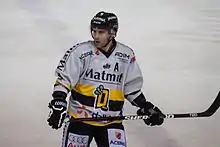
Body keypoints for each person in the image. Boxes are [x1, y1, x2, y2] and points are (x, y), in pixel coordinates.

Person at [47, 11, 165, 147]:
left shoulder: (126, 55)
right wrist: (59, 101)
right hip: (80, 119)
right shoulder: (80, 52)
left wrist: (146, 106)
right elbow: (64, 80)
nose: (96, 36)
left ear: (113, 33)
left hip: (112, 120)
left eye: (101, 32)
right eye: (94, 31)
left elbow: (131, 88)